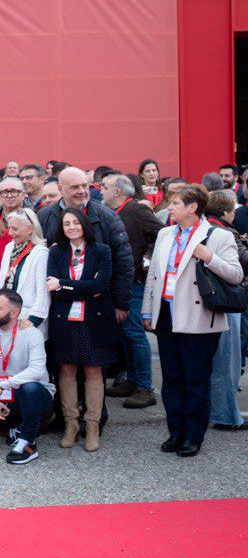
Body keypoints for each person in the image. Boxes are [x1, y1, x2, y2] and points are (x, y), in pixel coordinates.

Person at [142, 183, 243, 457]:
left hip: (199, 319)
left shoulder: (217, 236)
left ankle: (193, 436)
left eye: (174, 204)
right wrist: (147, 310)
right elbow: (154, 275)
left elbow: (235, 275)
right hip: (167, 315)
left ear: (192, 207)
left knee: (196, 380)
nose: (170, 208)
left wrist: (209, 257)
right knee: (172, 379)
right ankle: (176, 432)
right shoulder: (165, 234)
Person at [45, 207, 119, 453]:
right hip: (65, 319)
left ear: (84, 225)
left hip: (93, 320)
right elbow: (51, 285)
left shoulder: (102, 251)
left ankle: (93, 426)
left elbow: (101, 284)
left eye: (76, 223)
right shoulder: (56, 252)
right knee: (66, 370)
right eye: (67, 224)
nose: (71, 227)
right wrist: (83, 287)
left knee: (93, 370)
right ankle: (71, 424)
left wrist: (65, 285)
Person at [0, 290, 55, 465]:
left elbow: (37, 370)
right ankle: (14, 425)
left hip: (35, 394)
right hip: (5, 395)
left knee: (30, 387)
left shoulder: (32, 333)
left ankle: (28, 442)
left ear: (14, 313)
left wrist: (3, 385)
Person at [37, 166, 133, 322]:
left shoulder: (107, 217)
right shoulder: (43, 216)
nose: (82, 191)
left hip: (98, 303)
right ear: (61, 189)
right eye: (75, 187)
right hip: (59, 304)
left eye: (84, 185)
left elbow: (123, 263)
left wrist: (121, 304)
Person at [100, 173, 163, 409]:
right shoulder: (114, 212)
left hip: (134, 279)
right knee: (126, 331)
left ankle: (145, 388)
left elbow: (162, 232)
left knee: (134, 331)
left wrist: (146, 257)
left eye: (104, 187)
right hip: (120, 281)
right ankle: (133, 380)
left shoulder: (135, 209)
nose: (101, 190)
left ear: (118, 192)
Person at [203, 189, 248, 431]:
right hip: (225, 300)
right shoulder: (224, 232)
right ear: (225, 211)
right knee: (227, 361)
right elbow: (240, 265)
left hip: (206, 300)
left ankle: (216, 411)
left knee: (213, 361)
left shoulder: (202, 228)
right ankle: (227, 416)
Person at [0, 208, 50, 330]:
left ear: (30, 229)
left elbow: (43, 294)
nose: (9, 233)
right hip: (6, 319)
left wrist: (32, 321)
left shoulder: (40, 253)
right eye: (9, 228)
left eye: (15, 229)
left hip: (28, 322)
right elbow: (1, 283)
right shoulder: (10, 247)